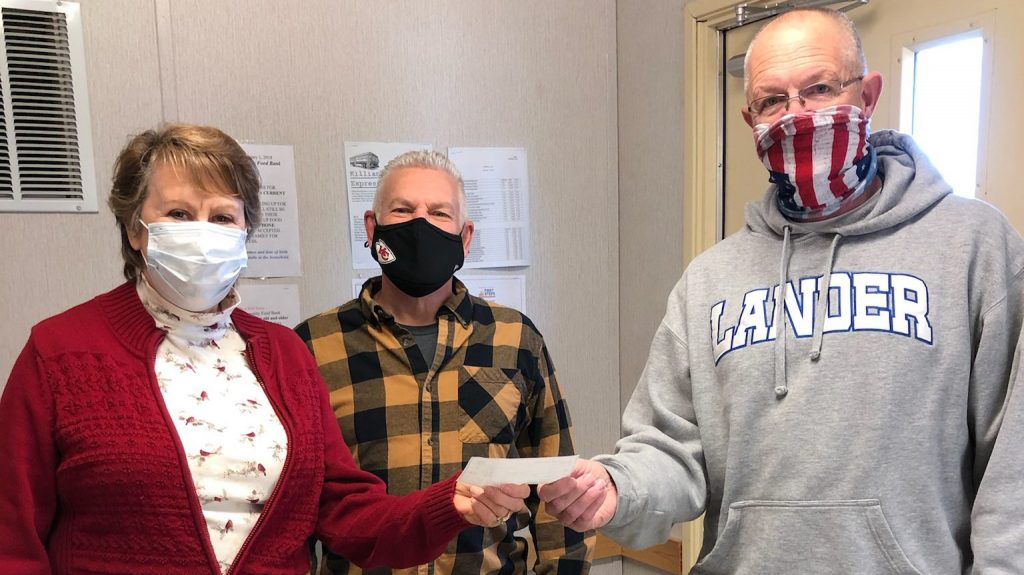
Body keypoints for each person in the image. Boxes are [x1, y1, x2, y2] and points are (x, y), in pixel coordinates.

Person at [538, 7, 1024, 574]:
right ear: (751, 120)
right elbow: (669, 450)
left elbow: (1012, 463)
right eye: (772, 101)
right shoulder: (709, 280)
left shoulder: (974, 247)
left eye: (819, 89)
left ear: (867, 96)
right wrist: (617, 488)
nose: (796, 116)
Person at [0, 124, 529, 574]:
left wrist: (449, 502)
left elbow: (348, 513)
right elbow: (11, 536)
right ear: (136, 229)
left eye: (222, 217)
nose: (202, 232)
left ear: (245, 231)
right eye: (179, 213)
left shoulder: (283, 354)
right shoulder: (61, 351)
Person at [295, 150, 594, 575]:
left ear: (465, 237)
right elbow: (298, 506)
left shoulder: (515, 339)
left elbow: (558, 488)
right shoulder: (312, 346)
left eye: (439, 213)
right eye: (403, 210)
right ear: (372, 228)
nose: (420, 224)